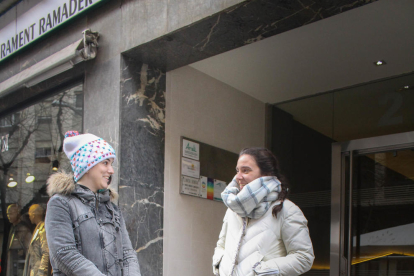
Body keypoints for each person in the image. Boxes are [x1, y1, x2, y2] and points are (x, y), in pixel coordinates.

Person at [45, 131, 141, 276]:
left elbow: (128, 254)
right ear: (87, 165)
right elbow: (64, 254)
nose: (111, 170)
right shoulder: (61, 203)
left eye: (111, 163)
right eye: (105, 163)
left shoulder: (112, 208)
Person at [212, 148, 314, 276]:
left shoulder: (287, 210)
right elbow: (221, 245)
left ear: (265, 174)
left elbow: (304, 257)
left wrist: (261, 271)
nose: (238, 177)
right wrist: (219, 263)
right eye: (237, 170)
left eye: (246, 170)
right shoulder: (233, 210)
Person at [6, 204, 32, 276]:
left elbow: (29, 250)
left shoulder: (23, 229)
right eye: (7, 214)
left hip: (20, 266)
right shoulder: (13, 228)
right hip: (13, 264)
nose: (9, 216)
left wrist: (22, 252)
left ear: (17, 213)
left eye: (11, 213)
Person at [23, 204, 49, 276]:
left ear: (34, 215)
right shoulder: (37, 229)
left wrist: (42, 272)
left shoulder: (43, 229)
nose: (29, 216)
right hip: (34, 270)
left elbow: (46, 252)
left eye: (30, 214)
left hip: (39, 271)